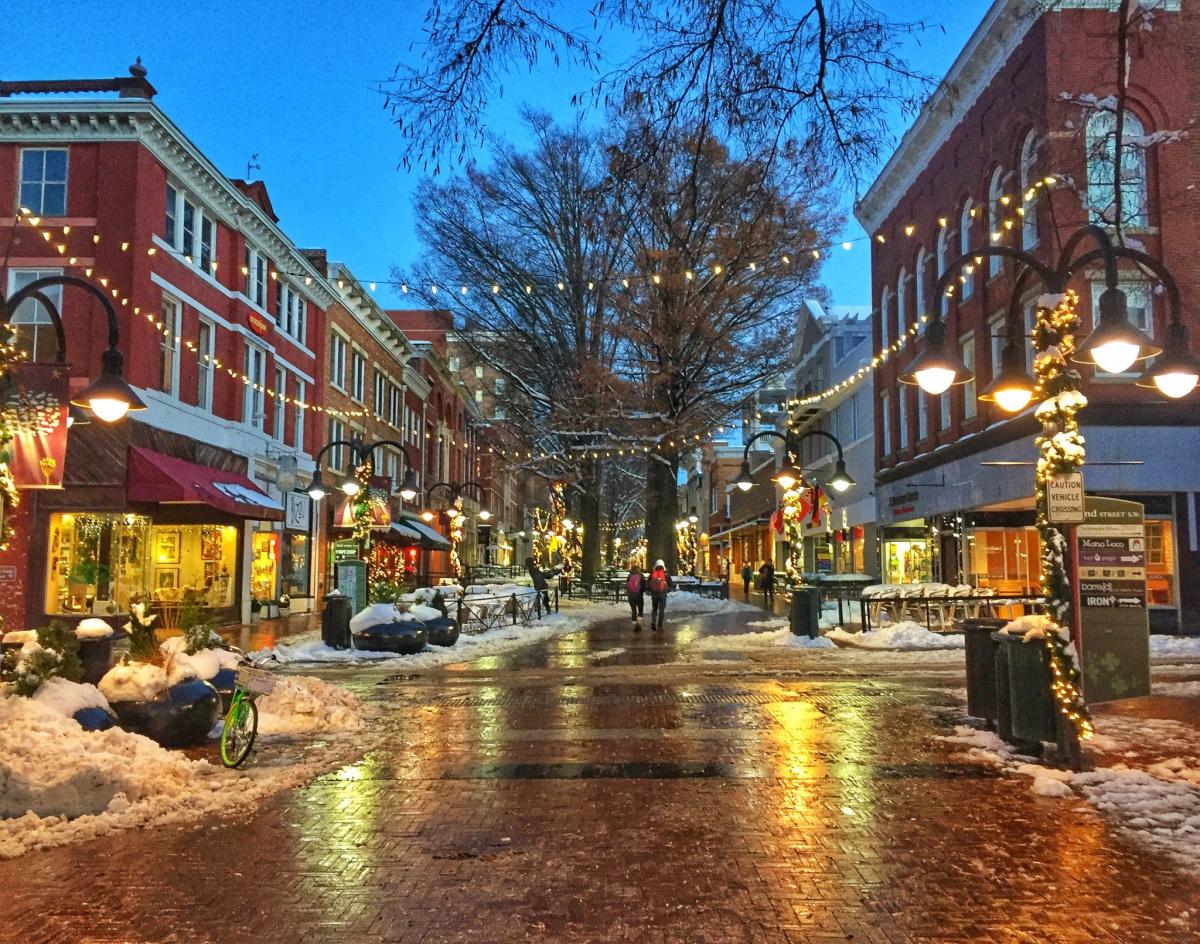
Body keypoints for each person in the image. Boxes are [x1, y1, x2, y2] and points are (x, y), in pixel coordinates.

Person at [647, 559, 671, 631]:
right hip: (662, 595)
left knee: (654, 609)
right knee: (661, 610)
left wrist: (650, 590)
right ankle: (660, 626)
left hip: (654, 595)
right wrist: (667, 589)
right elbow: (671, 584)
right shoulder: (666, 574)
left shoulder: (652, 573)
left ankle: (653, 622)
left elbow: (648, 584)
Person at [626, 565, 646, 631]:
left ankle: (635, 624)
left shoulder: (629, 575)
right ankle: (639, 623)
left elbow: (627, 585)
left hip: (631, 596)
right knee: (640, 609)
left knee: (634, 610)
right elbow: (644, 585)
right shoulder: (641, 575)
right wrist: (642, 591)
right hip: (639, 595)